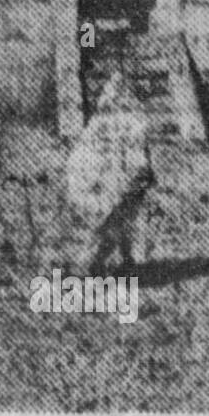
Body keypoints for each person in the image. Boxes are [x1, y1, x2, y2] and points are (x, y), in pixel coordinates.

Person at [67, 71, 156, 273]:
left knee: (122, 219)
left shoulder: (131, 121)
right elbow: (86, 151)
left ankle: (124, 259)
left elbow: (139, 151)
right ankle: (95, 263)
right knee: (115, 221)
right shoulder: (108, 122)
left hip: (123, 176)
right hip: (112, 177)